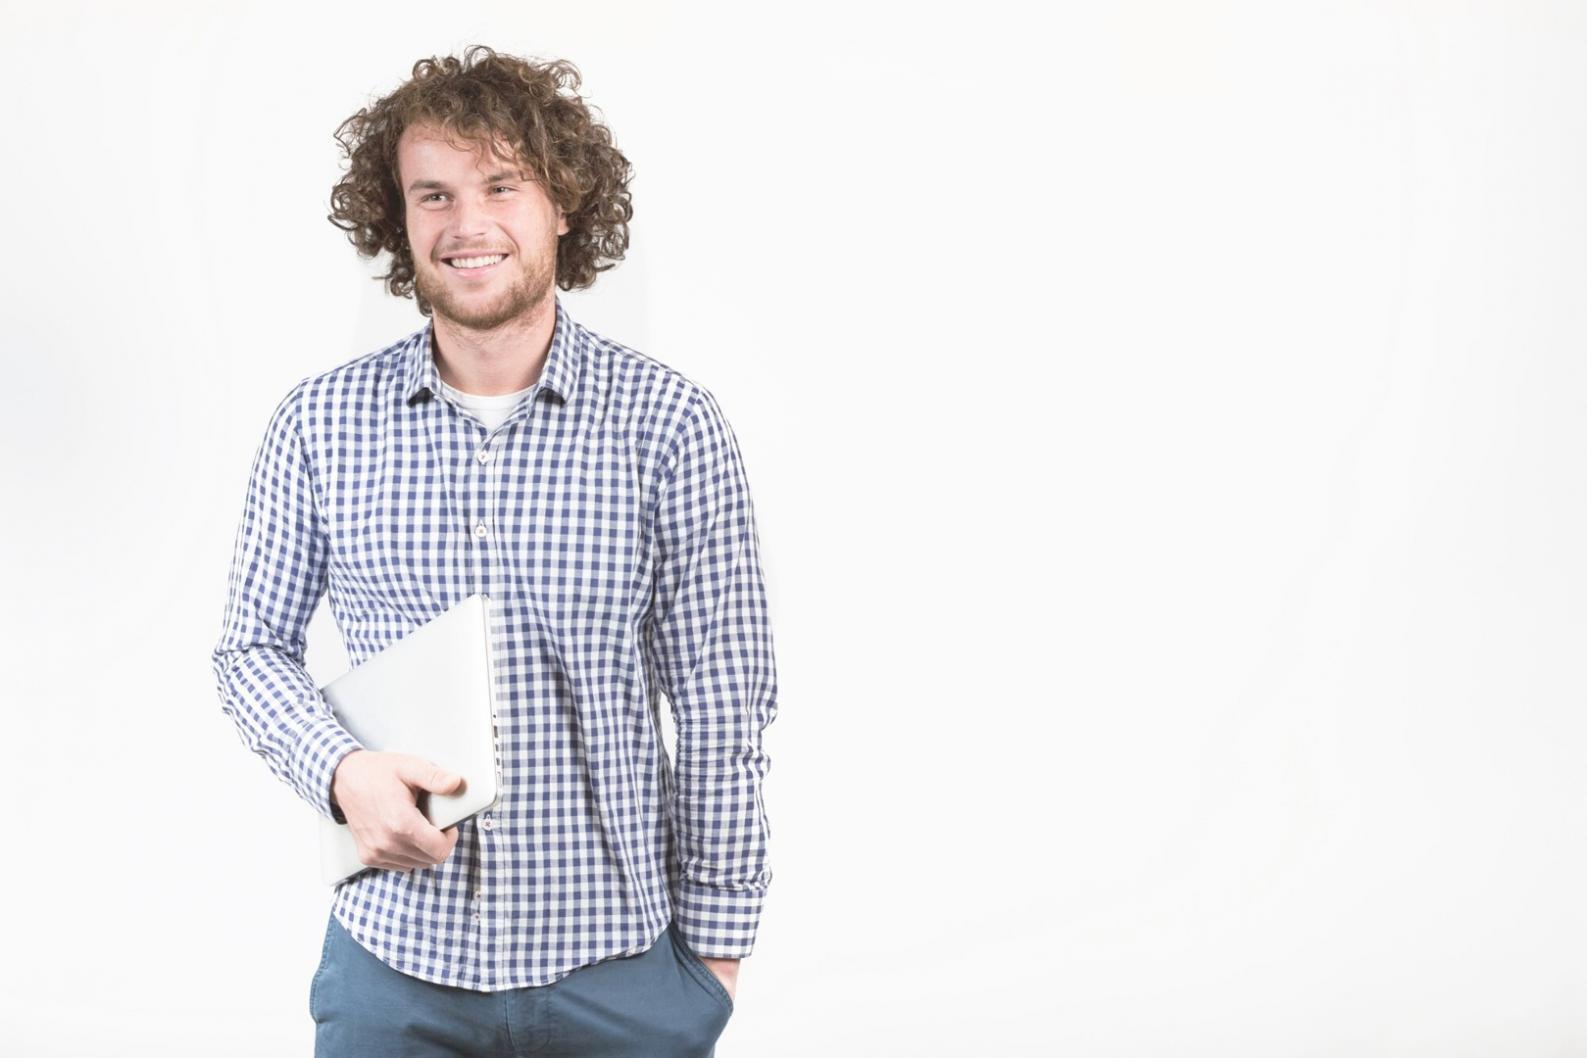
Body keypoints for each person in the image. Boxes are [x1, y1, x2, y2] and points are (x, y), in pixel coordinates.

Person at [210, 44, 778, 1057]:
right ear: (398, 222)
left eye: (501, 185)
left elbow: (723, 701)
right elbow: (250, 647)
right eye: (433, 194)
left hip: (623, 977)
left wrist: (716, 959)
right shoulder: (319, 424)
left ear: (562, 203)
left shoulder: (670, 427)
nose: (466, 224)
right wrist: (339, 768)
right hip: (393, 971)